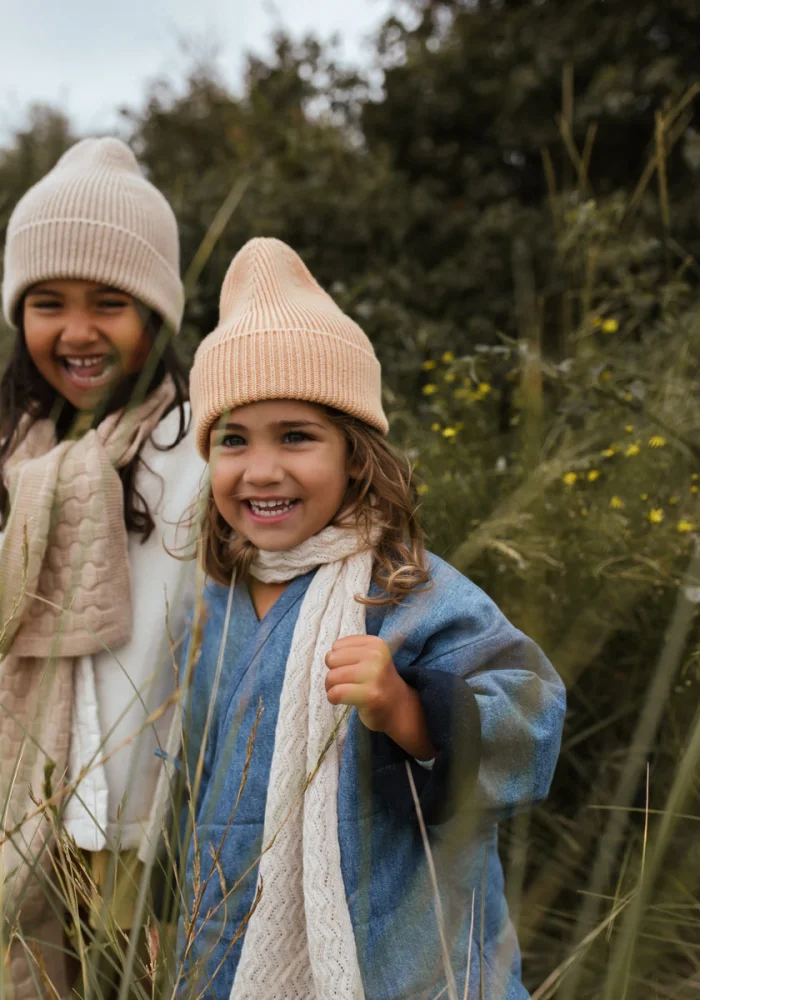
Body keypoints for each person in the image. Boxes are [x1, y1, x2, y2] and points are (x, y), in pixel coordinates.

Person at [174, 237, 567, 999]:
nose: (261, 469)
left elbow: (534, 719)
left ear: (355, 454)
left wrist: (409, 708)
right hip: (231, 942)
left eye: (296, 435)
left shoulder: (410, 589)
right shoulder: (209, 605)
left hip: (404, 952)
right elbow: (181, 775)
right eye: (233, 439)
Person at [0, 136, 206, 998]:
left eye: (109, 303)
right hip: (35, 811)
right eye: (48, 303)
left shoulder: (204, 450)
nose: (78, 332)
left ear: (155, 315)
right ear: (20, 317)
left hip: (157, 814)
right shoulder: (0, 474)